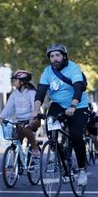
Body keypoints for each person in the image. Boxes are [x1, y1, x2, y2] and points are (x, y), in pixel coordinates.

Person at [30, 43, 89, 186]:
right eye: (51, 56)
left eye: (57, 55)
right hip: (57, 105)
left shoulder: (73, 68)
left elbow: (78, 88)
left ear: (64, 56)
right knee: (52, 132)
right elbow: (41, 92)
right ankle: (64, 160)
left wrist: (73, 106)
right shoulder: (47, 72)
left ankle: (82, 170)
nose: (54, 58)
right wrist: (35, 110)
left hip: (78, 106)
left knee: (76, 136)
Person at [0, 70, 41, 157]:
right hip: (19, 121)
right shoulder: (14, 94)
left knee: (26, 129)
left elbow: (35, 107)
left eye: (15, 80)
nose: (13, 82)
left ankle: (35, 148)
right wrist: (1, 117)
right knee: (16, 141)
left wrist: (32, 118)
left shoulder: (31, 93)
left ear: (22, 82)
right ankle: (19, 165)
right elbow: (8, 107)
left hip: (33, 120)